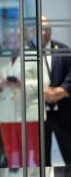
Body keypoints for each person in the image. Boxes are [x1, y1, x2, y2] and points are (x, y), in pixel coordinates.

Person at [0, 29, 49, 168]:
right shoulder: (3, 57)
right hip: (6, 112)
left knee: (33, 154)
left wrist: (22, 85)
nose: (12, 43)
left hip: (29, 112)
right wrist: (1, 84)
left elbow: (45, 81)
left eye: (16, 39)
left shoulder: (33, 54)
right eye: (10, 40)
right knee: (11, 153)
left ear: (23, 39)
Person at [28, 17, 71, 166]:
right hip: (38, 115)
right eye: (39, 29)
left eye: (46, 29)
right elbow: (22, 78)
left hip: (64, 114)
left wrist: (63, 90)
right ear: (32, 32)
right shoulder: (26, 53)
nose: (43, 33)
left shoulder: (64, 50)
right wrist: (41, 91)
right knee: (41, 160)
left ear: (50, 31)